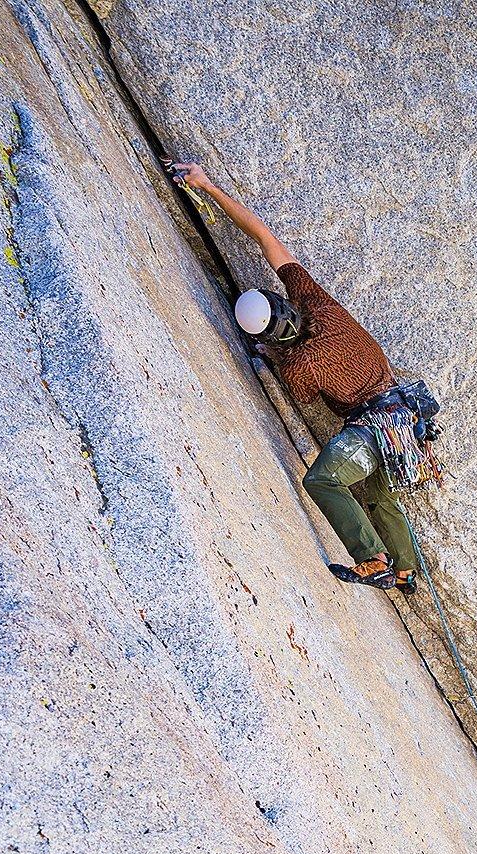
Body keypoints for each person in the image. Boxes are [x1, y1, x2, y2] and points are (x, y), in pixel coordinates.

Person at [165, 161, 419, 592]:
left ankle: (372, 559)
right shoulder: (318, 303)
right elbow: (266, 238)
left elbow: (301, 397)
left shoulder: (300, 363)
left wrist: (274, 356)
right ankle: (407, 569)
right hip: (405, 420)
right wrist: (206, 183)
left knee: (323, 479)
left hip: (371, 426)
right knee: (379, 493)